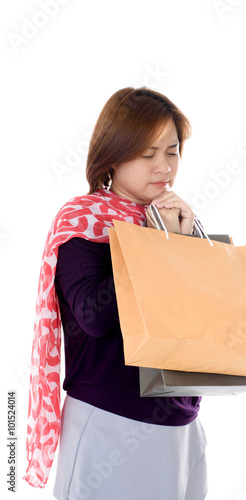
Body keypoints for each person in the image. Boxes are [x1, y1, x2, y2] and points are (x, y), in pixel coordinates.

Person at [24, 87, 208, 499]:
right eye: (147, 154)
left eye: (172, 152)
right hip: (110, 420)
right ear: (114, 155)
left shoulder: (171, 222)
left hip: (181, 422)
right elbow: (95, 315)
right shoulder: (83, 221)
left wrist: (180, 243)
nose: (164, 167)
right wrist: (156, 244)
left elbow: (199, 319)